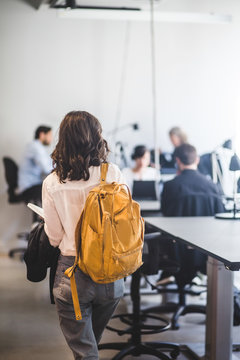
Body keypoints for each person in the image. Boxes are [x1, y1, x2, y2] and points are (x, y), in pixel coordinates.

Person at [42, 111, 125, 360]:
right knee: (89, 347)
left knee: (85, 351)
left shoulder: (52, 183)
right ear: (96, 137)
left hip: (74, 277)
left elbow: (54, 238)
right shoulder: (113, 174)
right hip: (111, 277)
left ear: (63, 140)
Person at [161, 143, 223, 216]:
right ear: (197, 160)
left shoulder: (169, 186)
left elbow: (165, 213)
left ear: (177, 160)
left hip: (178, 227)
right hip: (206, 227)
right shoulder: (213, 186)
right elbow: (220, 214)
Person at [18, 125, 53, 203]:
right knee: (55, 189)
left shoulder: (37, 147)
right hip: (29, 186)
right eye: (50, 135)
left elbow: (48, 164)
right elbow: (47, 169)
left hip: (32, 184)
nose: (51, 138)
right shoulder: (35, 147)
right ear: (42, 134)